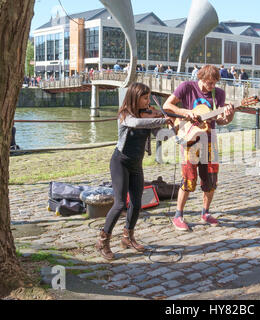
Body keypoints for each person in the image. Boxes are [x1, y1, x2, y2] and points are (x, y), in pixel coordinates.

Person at [95, 82, 172, 260]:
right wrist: (161, 118)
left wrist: (179, 128)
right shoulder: (124, 115)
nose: (147, 102)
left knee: (137, 203)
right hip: (120, 162)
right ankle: (102, 241)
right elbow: (136, 123)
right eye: (144, 98)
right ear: (135, 97)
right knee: (120, 204)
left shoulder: (149, 116)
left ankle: (127, 238)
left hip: (136, 164)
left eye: (148, 98)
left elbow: (161, 135)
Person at [163, 64, 235, 231]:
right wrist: (186, 112)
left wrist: (229, 117)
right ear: (200, 78)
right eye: (209, 83)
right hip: (190, 138)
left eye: (214, 83)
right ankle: (178, 215)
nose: (211, 87)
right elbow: (167, 105)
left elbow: (220, 121)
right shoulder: (187, 87)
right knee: (188, 179)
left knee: (211, 180)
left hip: (210, 140)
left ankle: (205, 213)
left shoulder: (219, 94)